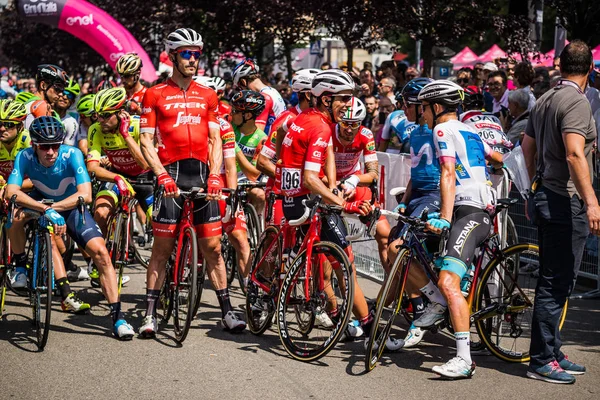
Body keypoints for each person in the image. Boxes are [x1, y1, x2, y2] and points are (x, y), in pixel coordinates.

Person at [275, 69, 402, 350]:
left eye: (351, 98)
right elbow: (310, 178)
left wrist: (334, 185)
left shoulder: (302, 119)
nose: (348, 105)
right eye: (343, 98)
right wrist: (342, 202)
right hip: (307, 199)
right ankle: (370, 329)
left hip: (292, 197)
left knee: (331, 260)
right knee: (346, 263)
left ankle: (336, 313)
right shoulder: (321, 128)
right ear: (324, 99)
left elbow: (326, 155)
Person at [139, 28, 245, 336]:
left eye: (197, 54)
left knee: (212, 247)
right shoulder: (155, 93)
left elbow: (214, 139)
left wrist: (214, 175)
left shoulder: (208, 95)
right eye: (187, 53)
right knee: (162, 247)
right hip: (169, 173)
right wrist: (159, 174)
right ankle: (149, 314)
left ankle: (227, 311)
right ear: (172, 56)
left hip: (200, 174)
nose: (192, 59)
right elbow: (146, 141)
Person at [6, 116, 135, 339]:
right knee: (14, 218)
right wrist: (44, 209)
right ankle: (19, 266)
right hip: (41, 202)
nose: (51, 152)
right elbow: (11, 192)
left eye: (55, 145)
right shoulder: (24, 156)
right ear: (34, 145)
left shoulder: (72, 154)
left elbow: (85, 195)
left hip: (71, 205)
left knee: (102, 253)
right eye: (45, 147)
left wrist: (54, 207)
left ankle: (118, 318)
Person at [415, 80, 503, 379]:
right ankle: (440, 302)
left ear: (436, 107)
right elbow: (497, 157)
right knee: (416, 244)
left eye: (424, 109)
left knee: (449, 282)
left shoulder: (442, 129)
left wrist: (444, 215)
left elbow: (449, 173)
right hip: (477, 207)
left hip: (469, 211)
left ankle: (464, 359)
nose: (422, 115)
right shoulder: (470, 128)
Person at [521, 40, 597, 384]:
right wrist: (592, 200)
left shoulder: (546, 98)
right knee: (556, 282)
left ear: (561, 66)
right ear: (590, 69)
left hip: (547, 194)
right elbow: (574, 154)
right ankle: (541, 359)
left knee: (557, 279)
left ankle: (551, 350)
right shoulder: (577, 102)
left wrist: (532, 186)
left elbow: (527, 147)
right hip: (565, 201)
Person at [86, 87, 151, 285]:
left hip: (144, 179)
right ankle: (99, 260)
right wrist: (117, 178)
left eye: (106, 115)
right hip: (117, 176)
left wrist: (126, 136)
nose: (100, 120)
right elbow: (93, 167)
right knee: (101, 213)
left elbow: (146, 164)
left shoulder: (138, 126)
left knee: (159, 222)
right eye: (98, 115)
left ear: (121, 113)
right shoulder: (96, 129)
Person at [331, 97, 391, 269]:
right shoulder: (327, 132)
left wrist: (355, 179)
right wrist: (337, 183)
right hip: (330, 185)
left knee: (384, 233)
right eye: (345, 124)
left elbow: (373, 174)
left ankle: (390, 287)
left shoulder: (365, 135)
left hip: (352, 182)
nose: (349, 130)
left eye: (355, 124)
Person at [230, 90, 267, 218]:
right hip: (225, 174)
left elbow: (253, 174)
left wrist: (234, 147)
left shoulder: (261, 139)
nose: (231, 114)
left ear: (248, 116)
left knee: (260, 195)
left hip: (244, 179)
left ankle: (256, 231)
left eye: (235, 111)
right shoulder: (229, 126)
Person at [232, 58, 286, 134]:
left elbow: (257, 133)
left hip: (268, 142)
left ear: (243, 82)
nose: (241, 91)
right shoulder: (272, 90)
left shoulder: (263, 98)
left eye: (240, 87)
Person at [24, 64, 69, 129]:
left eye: (62, 90)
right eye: (57, 89)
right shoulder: (42, 106)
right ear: (43, 85)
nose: (61, 94)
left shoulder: (30, 102)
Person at [0, 100, 30, 185]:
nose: (2, 129)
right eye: (0, 124)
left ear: (20, 127)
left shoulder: (29, 140)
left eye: (9, 125)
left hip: (26, 190)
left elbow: (39, 178)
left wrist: (9, 187)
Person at [52, 77, 80, 146]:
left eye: (69, 95)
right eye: (63, 92)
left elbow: (67, 150)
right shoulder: (42, 111)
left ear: (72, 102)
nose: (64, 97)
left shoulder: (72, 123)